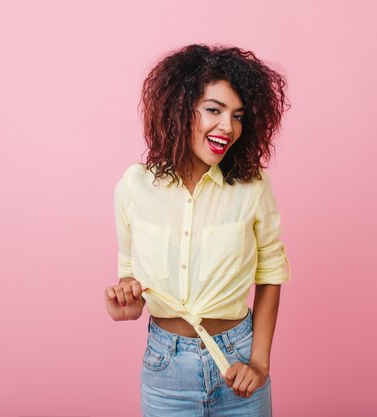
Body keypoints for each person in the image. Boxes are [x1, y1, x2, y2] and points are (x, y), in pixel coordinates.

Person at [105, 44, 291, 417]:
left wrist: (260, 362)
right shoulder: (134, 187)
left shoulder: (252, 187)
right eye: (213, 110)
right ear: (179, 108)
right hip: (166, 369)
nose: (228, 126)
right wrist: (126, 304)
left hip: (237, 363)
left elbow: (271, 273)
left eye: (238, 116)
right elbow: (131, 276)